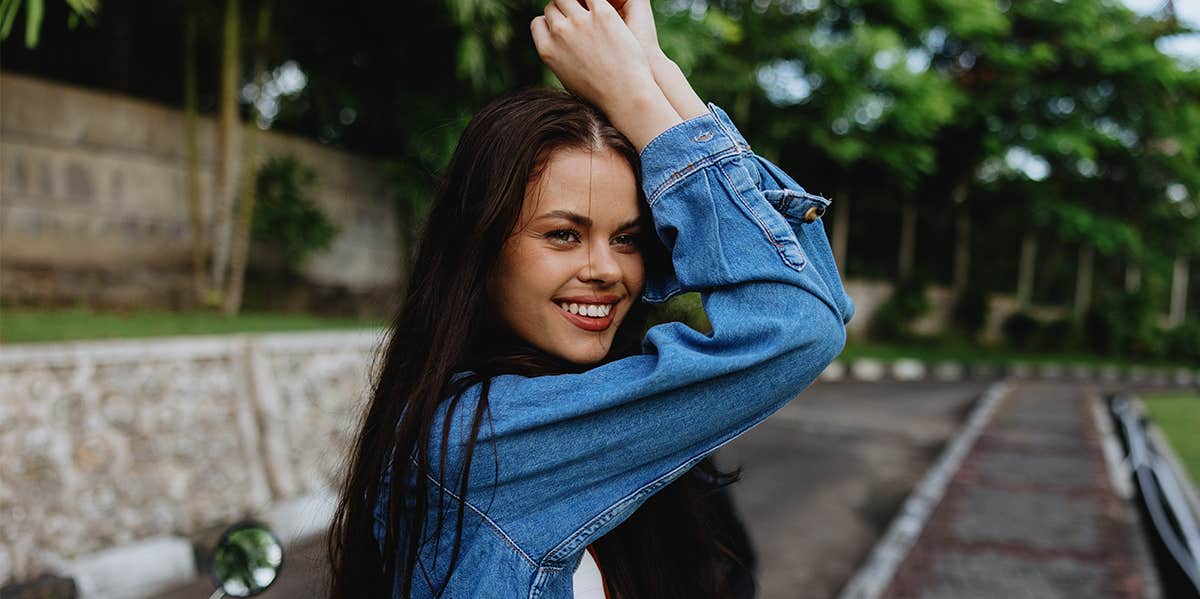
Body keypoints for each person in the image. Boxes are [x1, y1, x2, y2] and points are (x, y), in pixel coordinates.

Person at [325, 0, 855, 597]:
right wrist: (633, 94)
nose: (605, 269)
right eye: (563, 235)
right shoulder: (480, 441)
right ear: (479, 248)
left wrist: (655, 72)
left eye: (628, 238)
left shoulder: (604, 416)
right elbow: (799, 322)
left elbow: (816, 295)